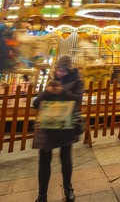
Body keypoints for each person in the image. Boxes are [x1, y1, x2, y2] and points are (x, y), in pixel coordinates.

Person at [32, 55, 84, 202]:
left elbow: (77, 100)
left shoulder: (77, 82)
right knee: (44, 160)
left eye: (62, 70)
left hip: (65, 126)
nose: (59, 73)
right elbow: (36, 103)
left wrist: (62, 92)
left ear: (68, 70)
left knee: (65, 158)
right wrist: (47, 92)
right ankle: (42, 194)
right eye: (58, 70)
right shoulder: (51, 82)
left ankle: (68, 188)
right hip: (47, 126)